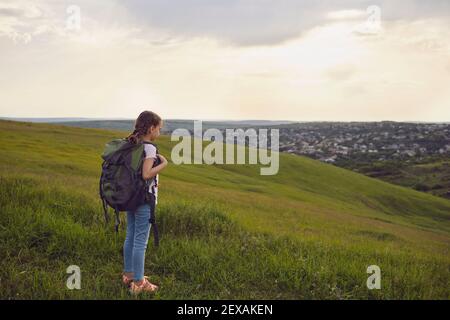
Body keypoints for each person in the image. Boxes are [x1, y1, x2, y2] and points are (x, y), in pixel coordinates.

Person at [121, 110, 168, 294]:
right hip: (144, 199)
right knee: (141, 241)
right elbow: (146, 174)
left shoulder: (131, 142)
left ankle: (129, 274)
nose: (160, 132)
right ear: (151, 128)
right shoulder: (149, 147)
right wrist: (163, 164)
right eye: (159, 128)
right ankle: (139, 283)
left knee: (130, 235)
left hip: (129, 196)